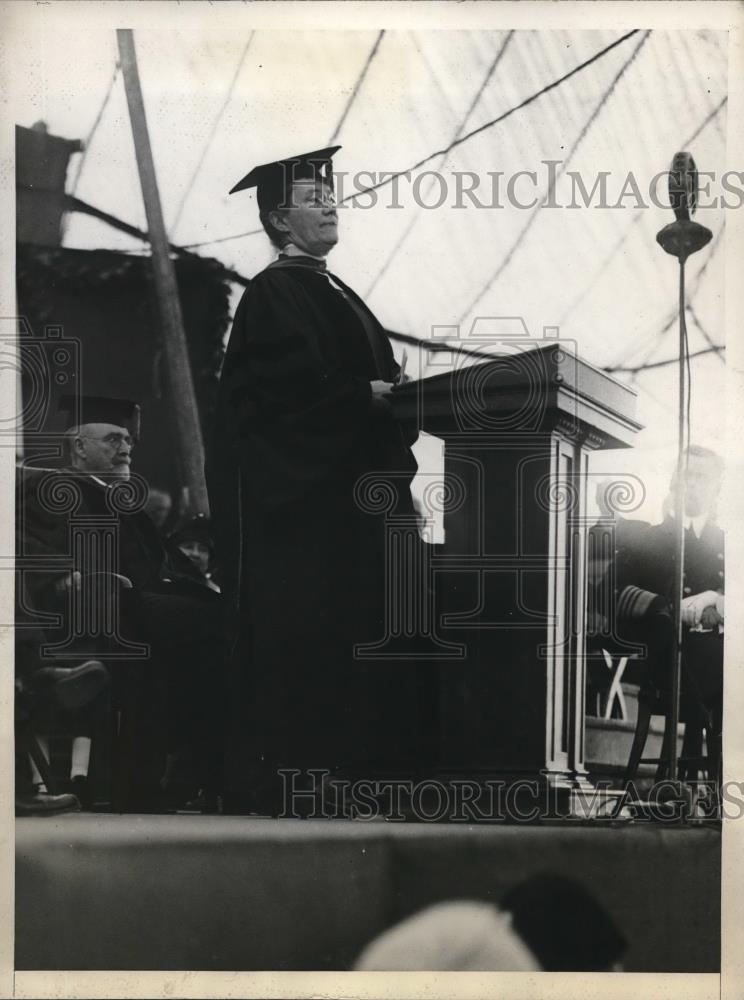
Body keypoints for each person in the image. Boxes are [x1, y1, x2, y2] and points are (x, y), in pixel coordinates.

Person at [207, 146, 422, 809]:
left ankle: (369, 780)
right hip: (315, 512)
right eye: (313, 198)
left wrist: (394, 396)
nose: (330, 204)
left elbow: (354, 384)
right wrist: (365, 396)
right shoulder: (275, 293)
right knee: (325, 639)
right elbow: (280, 399)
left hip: (355, 496)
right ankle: (317, 783)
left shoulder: (332, 288)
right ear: (278, 218)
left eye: (331, 196)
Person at [19, 395, 227, 809]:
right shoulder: (53, 488)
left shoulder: (122, 502)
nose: (126, 447)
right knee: (216, 627)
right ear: (78, 447)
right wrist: (64, 576)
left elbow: (170, 564)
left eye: (128, 439)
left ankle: (194, 771)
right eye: (113, 439)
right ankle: (185, 772)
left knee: (227, 620)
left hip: (138, 605)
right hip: (101, 611)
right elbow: (28, 547)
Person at [614, 446, 724, 778]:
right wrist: (669, 609)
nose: (693, 485)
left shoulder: (729, 544)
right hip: (666, 663)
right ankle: (688, 780)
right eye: (686, 476)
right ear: (673, 483)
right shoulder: (649, 539)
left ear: (717, 488)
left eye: (702, 478)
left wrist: (715, 598)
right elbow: (614, 593)